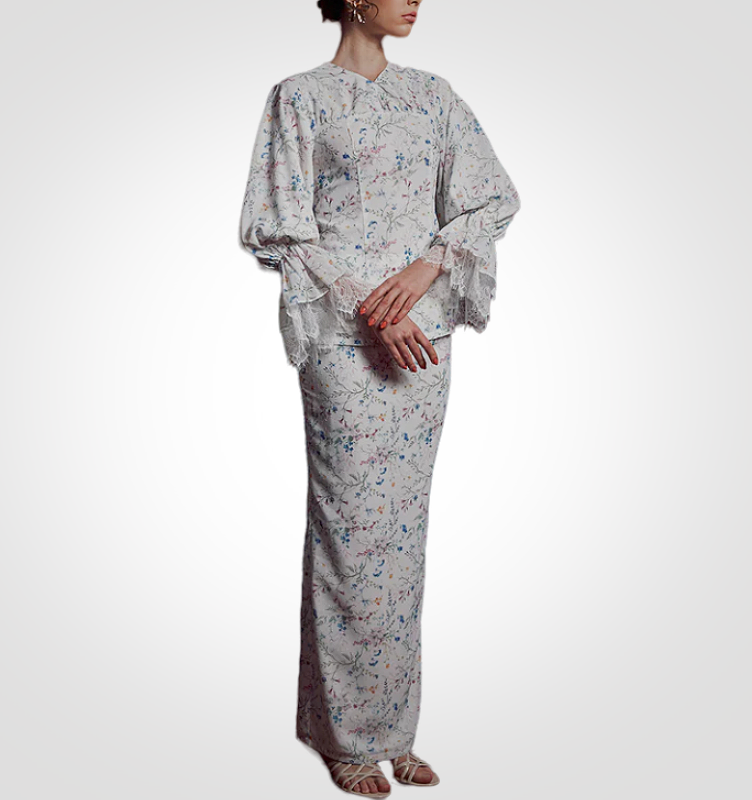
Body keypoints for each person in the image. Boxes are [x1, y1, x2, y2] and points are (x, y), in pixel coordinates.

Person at [238, 1, 521, 795]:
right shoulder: (300, 97)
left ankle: (395, 730)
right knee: (351, 529)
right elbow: (281, 225)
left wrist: (427, 270)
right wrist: (371, 306)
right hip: (344, 335)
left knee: (403, 530)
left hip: (422, 336)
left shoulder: (434, 96)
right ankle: (345, 736)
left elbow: (491, 198)